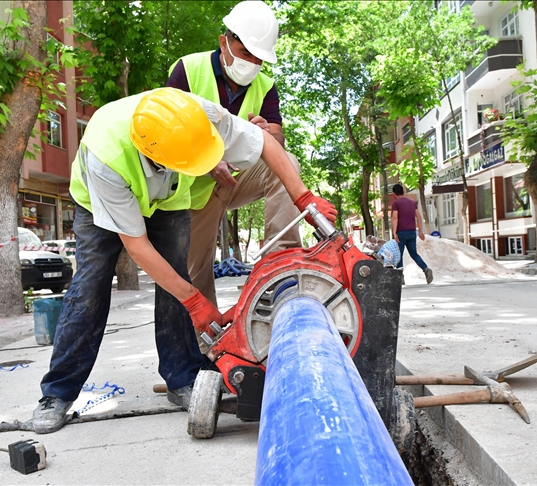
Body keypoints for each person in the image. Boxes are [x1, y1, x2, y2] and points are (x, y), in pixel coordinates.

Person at [30, 87, 336, 434]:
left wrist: (303, 196)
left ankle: (183, 379)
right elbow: (138, 247)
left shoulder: (197, 118)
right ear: (157, 156)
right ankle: (58, 393)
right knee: (90, 287)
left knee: (177, 277)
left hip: (168, 198)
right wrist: (196, 302)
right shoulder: (107, 154)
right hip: (99, 200)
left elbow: (265, 144)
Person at [167, 0, 301, 307]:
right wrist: (210, 159)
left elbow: (277, 138)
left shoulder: (265, 86)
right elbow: (169, 133)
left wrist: (269, 133)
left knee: (286, 163)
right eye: (245, 54)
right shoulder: (188, 70)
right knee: (195, 275)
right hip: (196, 189)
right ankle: (206, 347)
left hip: (241, 178)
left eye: (259, 59)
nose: (252, 64)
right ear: (224, 42)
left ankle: (281, 258)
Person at [391, 184, 433, 284]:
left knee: (399, 255)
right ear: (403, 192)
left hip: (401, 232)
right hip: (412, 232)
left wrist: (394, 232)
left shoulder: (396, 203)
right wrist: (420, 231)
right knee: (414, 254)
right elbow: (418, 217)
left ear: (394, 194)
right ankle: (426, 269)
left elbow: (395, 217)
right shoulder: (412, 202)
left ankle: (400, 278)